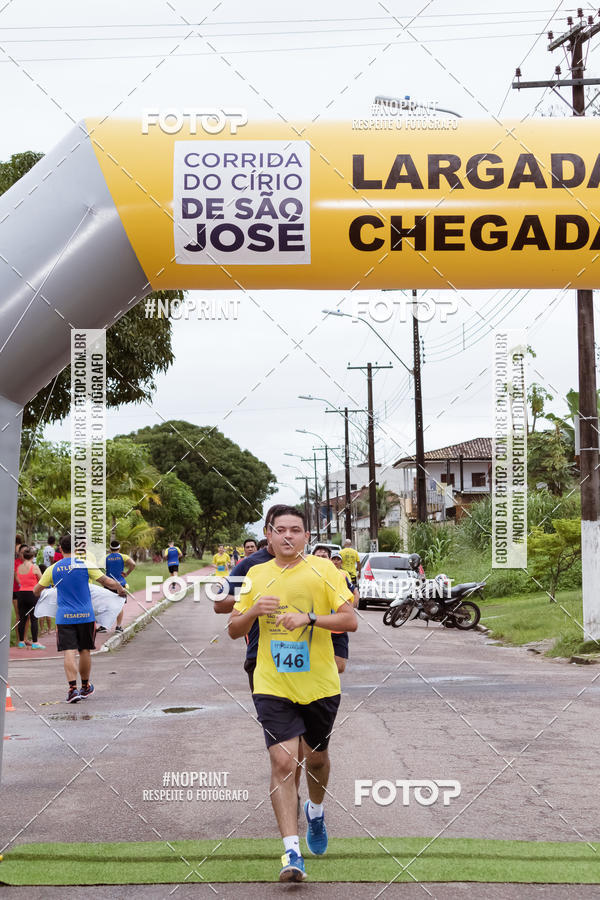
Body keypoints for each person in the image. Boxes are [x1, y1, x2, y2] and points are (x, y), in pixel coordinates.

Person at [228, 506, 357, 883]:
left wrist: (310, 618)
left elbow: (350, 619)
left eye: (296, 530)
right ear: (268, 536)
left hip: (319, 684)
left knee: (316, 760)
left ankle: (315, 812)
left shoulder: (326, 571)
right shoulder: (255, 574)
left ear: (306, 536)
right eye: (280, 530)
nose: (288, 536)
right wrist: (252, 610)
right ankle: (291, 850)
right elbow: (234, 629)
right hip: (273, 683)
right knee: (284, 762)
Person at [33, 534, 126, 703]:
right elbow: (107, 582)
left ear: (61, 549)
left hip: (64, 617)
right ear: (77, 549)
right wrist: (120, 589)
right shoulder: (85, 565)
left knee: (69, 651)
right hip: (86, 615)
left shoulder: (53, 569)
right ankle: (85, 686)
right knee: (84, 650)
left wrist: (49, 590)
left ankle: (72, 690)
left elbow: (36, 590)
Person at [101, 540, 136, 634]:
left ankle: (103, 626)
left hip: (109, 584)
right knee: (119, 605)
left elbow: (98, 568)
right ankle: (118, 627)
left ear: (110, 549)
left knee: (107, 605)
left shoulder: (106, 557)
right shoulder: (123, 556)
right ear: (119, 548)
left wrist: (103, 580)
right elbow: (133, 564)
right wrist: (127, 573)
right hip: (121, 584)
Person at [15, 548, 45, 649]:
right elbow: (42, 580)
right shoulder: (35, 567)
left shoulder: (18, 568)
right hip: (32, 594)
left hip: (21, 594)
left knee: (22, 618)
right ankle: (35, 642)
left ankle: (21, 641)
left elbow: (19, 581)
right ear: (32, 557)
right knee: (34, 618)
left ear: (23, 556)